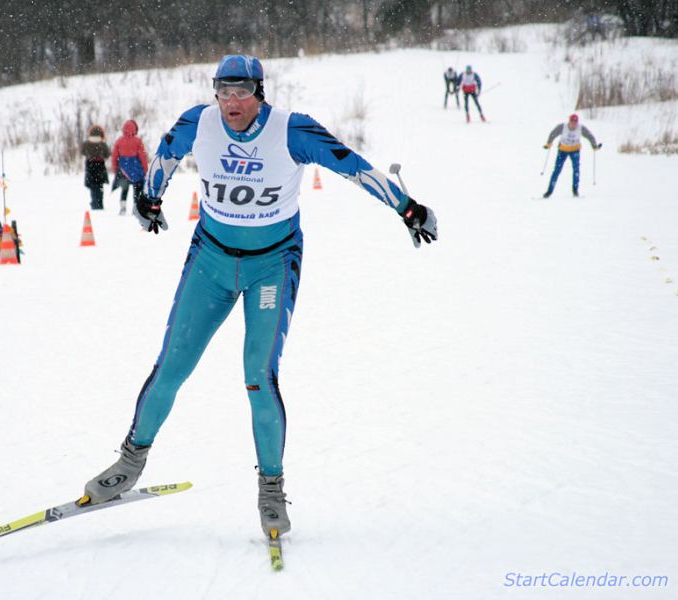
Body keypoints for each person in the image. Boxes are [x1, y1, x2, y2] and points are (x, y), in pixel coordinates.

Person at [79, 55, 438, 540]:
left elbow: (354, 167)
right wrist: (148, 197)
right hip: (210, 260)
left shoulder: (292, 130)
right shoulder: (199, 122)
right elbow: (165, 155)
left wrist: (407, 207)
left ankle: (271, 486)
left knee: (258, 376)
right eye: (222, 91)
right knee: (172, 366)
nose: (231, 102)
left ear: (260, 91)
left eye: (241, 92)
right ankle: (130, 461)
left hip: (272, 263)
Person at [542, 113, 601, 198]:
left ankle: (575, 190)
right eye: (572, 121)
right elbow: (553, 133)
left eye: (575, 121)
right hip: (562, 150)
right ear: (569, 121)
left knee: (576, 170)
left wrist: (594, 145)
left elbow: (589, 136)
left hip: (575, 151)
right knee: (557, 170)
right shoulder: (562, 127)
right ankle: (549, 191)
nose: (574, 123)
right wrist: (549, 143)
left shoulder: (581, 128)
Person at [110, 119, 148, 216]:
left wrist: (115, 169)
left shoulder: (119, 141)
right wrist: (145, 169)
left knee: (124, 188)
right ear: (135, 129)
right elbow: (143, 156)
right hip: (136, 168)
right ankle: (135, 208)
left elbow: (114, 156)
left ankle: (123, 207)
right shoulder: (138, 141)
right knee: (137, 189)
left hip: (123, 168)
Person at [81, 125, 111, 210]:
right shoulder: (102, 144)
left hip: (90, 165)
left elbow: (82, 152)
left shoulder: (86, 143)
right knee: (100, 185)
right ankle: (100, 203)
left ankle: (94, 202)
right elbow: (107, 154)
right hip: (100, 165)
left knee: (92, 185)